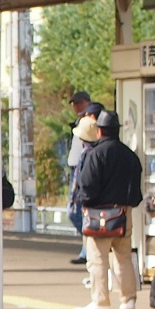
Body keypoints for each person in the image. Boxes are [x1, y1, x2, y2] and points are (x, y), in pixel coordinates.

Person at [73, 109, 144, 309]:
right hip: (124, 213)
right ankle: (128, 300)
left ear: (100, 130)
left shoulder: (95, 154)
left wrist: (86, 203)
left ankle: (101, 300)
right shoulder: (130, 155)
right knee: (123, 257)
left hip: (99, 215)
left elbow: (87, 185)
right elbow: (136, 188)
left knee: (97, 259)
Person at [64, 91, 94, 264]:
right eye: (74, 104)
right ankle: (86, 249)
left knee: (77, 211)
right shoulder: (79, 122)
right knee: (76, 212)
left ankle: (88, 248)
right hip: (75, 167)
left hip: (83, 169)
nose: (76, 106)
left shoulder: (90, 122)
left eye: (79, 103)